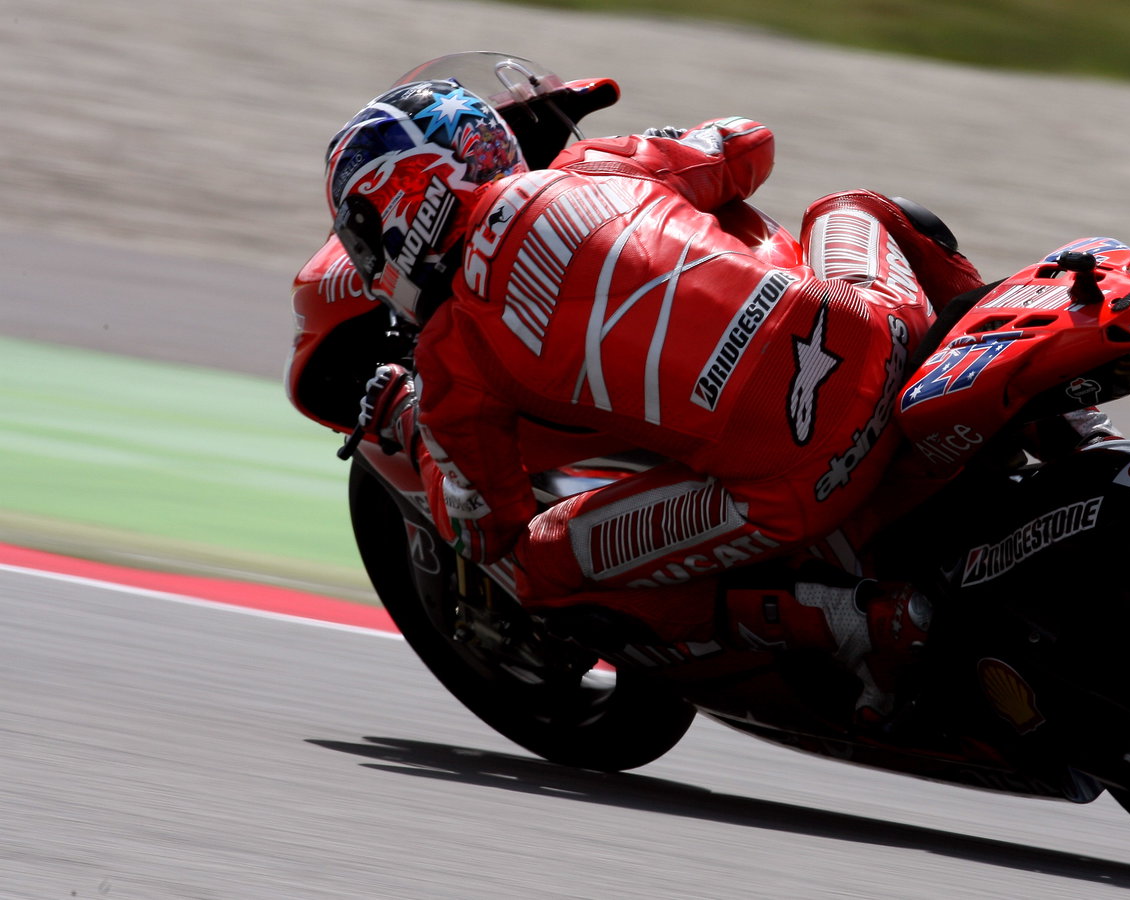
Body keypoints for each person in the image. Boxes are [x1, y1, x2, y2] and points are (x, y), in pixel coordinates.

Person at [308, 60, 986, 726]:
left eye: (362, 237)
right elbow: (749, 142)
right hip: (882, 333)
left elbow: (482, 526)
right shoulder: (598, 166)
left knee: (537, 563)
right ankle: (1012, 384)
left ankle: (850, 619)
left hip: (798, 484)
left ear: (398, 215)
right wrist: (672, 152)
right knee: (852, 208)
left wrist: (403, 411)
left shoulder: (453, 353)